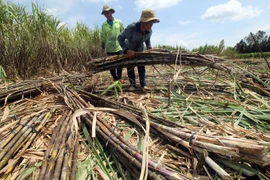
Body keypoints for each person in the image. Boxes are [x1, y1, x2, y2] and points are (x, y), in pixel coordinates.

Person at [118, 9, 160, 92]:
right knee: (130, 67)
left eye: (152, 23)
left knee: (141, 66)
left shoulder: (149, 31)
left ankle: (143, 85)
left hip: (140, 50)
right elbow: (120, 38)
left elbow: (147, 40)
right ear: (143, 22)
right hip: (130, 50)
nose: (151, 25)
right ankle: (132, 85)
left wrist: (149, 47)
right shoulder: (131, 28)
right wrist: (127, 50)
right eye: (149, 22)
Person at [101, 5, 124, 81]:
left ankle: (119, 78)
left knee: (120, 64)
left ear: (111, 12)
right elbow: (103, 37)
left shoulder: (119, 22)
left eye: (107, 12)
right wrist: (103, 47)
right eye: (105, 13)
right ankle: (115, 78)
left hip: (119, 47)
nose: (106, 14)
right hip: (109, 48)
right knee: (111, 66)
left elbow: (123, 34)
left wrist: (125, 45)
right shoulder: (104, 25)